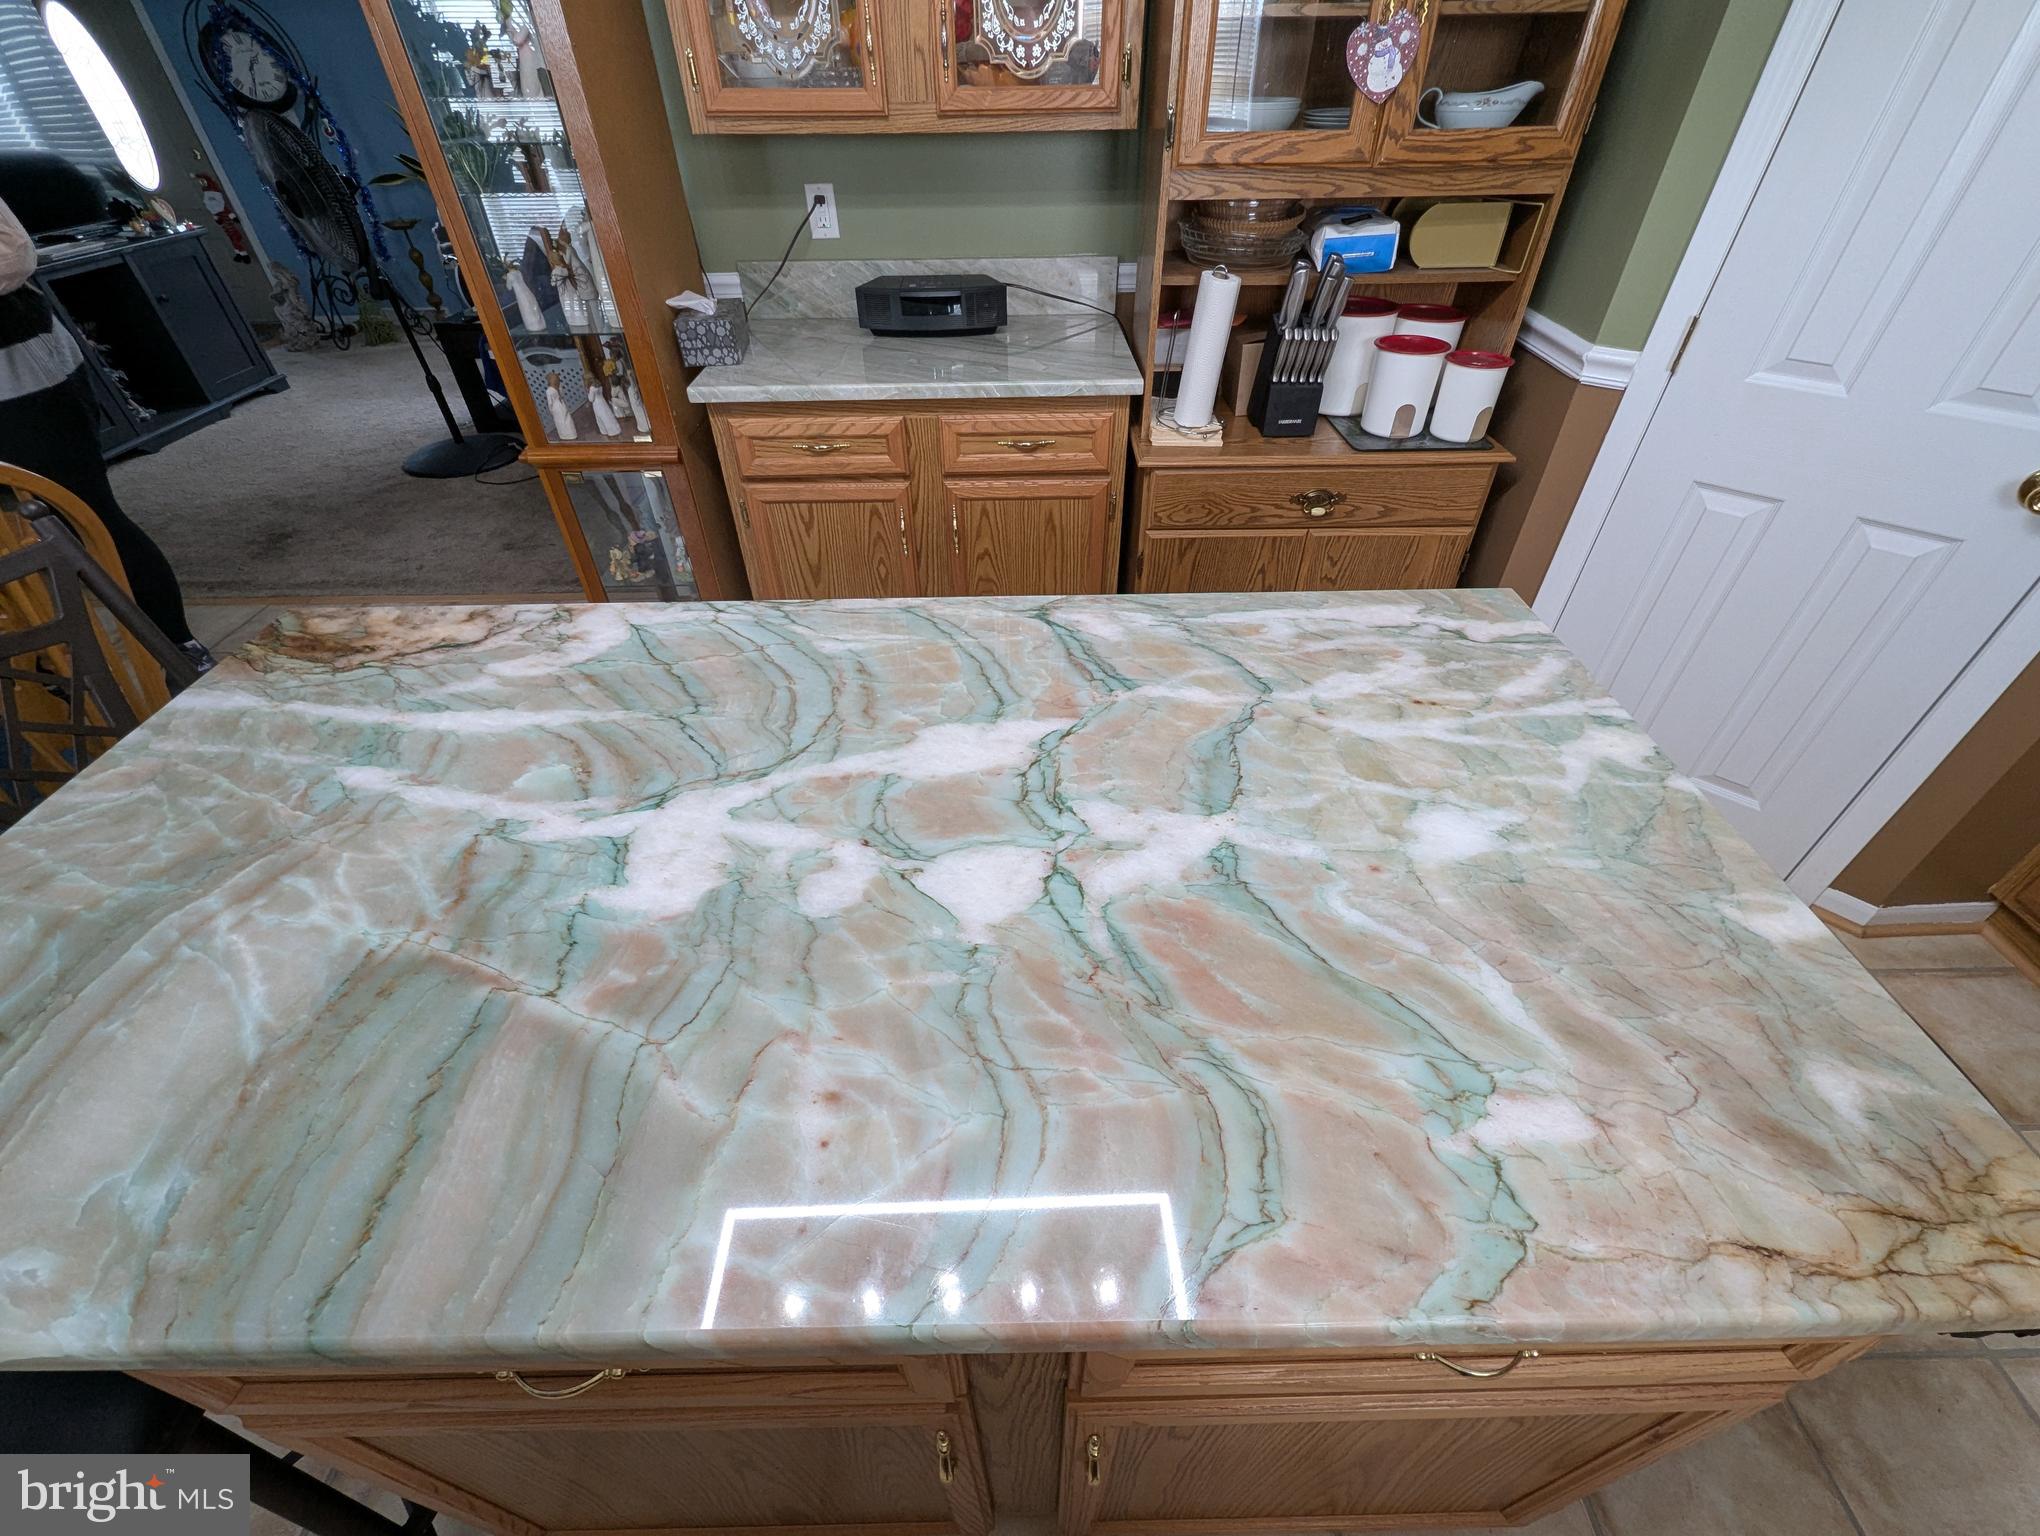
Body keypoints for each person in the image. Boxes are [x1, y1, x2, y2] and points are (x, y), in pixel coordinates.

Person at [0, 194, 208, 668]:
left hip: (20, 371)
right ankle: (48, 665)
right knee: (10, 540)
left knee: (82, 512)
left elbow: (13, 256)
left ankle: (178, 650)